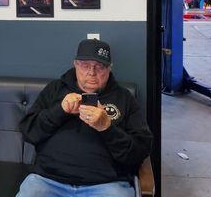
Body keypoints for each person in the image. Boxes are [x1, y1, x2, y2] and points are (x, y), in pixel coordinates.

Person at [17, 39, 153, 197]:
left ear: (109, 68)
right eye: (85, 65)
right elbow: (28, 132)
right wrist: (60, 111)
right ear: (75, 64)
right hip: (48, 180)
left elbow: (140, 150)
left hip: (106, 184)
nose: (92, 73)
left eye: (100, 66)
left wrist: (107, 128)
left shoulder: (124, 98)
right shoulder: (55, 89)